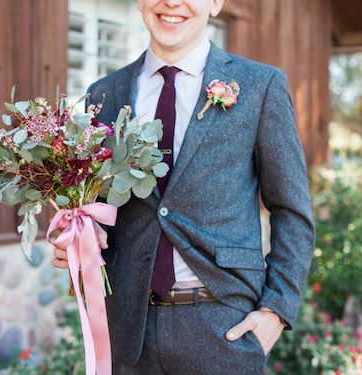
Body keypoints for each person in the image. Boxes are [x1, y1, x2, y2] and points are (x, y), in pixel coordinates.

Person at [53, 0, 315, 373]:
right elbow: (98, 205)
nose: (172, 3)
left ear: (215, 2)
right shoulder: (104, 95)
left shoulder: (261, 86)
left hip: (222, 329)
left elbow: (292, 210)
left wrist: (275, 312)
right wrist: (77, 238)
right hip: (128, 334)